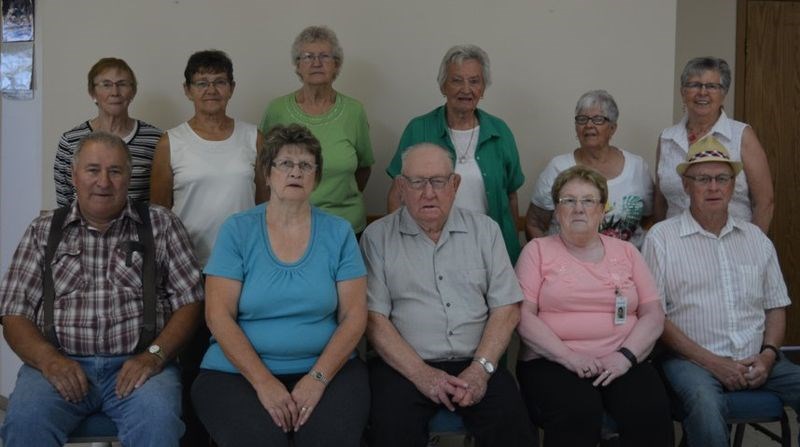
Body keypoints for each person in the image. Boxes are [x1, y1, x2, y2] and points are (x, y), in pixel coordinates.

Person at [0, 132, 203, 447]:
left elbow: (190, 303)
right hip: (57, 364)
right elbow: (13, 311)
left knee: (158, 423)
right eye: (93, 170)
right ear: (74, 176)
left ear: (129, 176)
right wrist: (48, 360)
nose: (103, 182)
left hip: (140, 366)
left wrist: (154, 356)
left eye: (115, 171)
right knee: (24, 422)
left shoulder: (161, 225)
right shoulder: (43, 231)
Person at [191, 124, 369, 447]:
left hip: (328, 371)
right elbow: (218, 316)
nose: (295, 172)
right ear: (267, 173)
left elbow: (355, 317)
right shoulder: (237, 230)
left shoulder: (339, 232)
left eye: (306, 165)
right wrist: (264, 382)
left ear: (316, 176)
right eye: (285, 163)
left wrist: (317, 379)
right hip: (236, 374)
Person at [362, 143, 536, 447]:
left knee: (514, 430)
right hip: (404, 366)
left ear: (454, 184)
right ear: (401, 187)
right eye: (417, 182)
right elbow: (374, 319)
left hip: (477, 360)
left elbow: (506, 308)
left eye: (438, 181)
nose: (428, 193)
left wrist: (480, 370)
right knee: (390, 431)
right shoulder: (377, 237)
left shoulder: (486, 231)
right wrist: (421, 374)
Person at [643, 136, 800, 447]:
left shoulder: (756, 239)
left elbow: (775, 307)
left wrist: (768, 357)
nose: (713, 187)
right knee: (704, 404)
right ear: (686, 186)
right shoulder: (662, 239)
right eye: (702, 179)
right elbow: (654, 316)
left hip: (759, 357)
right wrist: (714, 363)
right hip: (690, 360)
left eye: (722, 178)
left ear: (733, 185)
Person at [516, 165, 671, 446]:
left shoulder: (627, 252)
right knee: (578, 411)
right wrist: (568, 357)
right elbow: (523, 317)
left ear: (601, 209)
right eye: (569, 201)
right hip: (552, 362)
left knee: (650, 409)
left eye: (588, 200)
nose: (579, 209)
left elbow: (653, 313)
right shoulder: (536, 251)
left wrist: (625, 357)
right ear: (556, 209)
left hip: (622, 359)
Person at [386, 44, 525, 262]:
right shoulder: (419, 129)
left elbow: (511, 195)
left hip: (489, 247)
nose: (466, 89)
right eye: (457, 80)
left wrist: (513, 245)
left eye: (474, 81)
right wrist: (399, 244)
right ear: (443, 86)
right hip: (429, 246)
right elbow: (397, 193)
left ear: (483, 88)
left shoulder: (500, 131)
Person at [150, 49, 267, 266]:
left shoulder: (254, 137)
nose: (211, 90)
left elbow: (265, 203)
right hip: (188, 262)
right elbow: (159, 213)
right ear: (187, 90)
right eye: (202, 83)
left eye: (219, 82)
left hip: (245, 259)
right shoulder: (170, 142)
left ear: (232, 88)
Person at [260, 26, 374, 235]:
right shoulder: (277, 110)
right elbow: (263, 166)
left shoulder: (354, 111)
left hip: (344, 226)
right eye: (308, 56)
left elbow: (364, 167)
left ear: (336, 64)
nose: (316, 63)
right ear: (297, 65)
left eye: (324, 56)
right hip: (288, 225)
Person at [654, 56, 773, 233]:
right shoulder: (666, 138)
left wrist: (752, 246)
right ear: (683, 92)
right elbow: (660, 202)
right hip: (677, 247)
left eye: (711, 86)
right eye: (694, 85)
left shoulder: (741, 135)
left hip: (733, 243)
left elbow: (765, 202)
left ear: (723, 94)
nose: (703, 92)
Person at [525, 90, 653, 248]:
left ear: (613, 128)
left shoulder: (637, 167)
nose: (589, 125)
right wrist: (552, 259)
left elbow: (650, 218)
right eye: (582, 119)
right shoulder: (557, 167)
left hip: (625, 267)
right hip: (568, 268)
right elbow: (534, 223)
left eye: (598, 119)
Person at [54, 57, 162, 207]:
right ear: (92, 92)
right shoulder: (70, 141)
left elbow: (160, 201)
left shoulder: (156, 139)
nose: (115, 92)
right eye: (106, 85)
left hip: (139, 228)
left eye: (122, 84)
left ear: (133, 92)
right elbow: (64, 201)